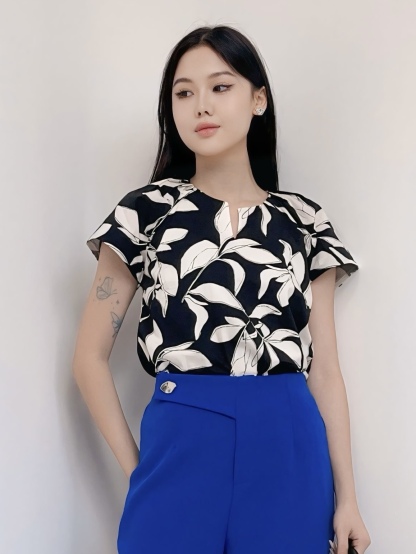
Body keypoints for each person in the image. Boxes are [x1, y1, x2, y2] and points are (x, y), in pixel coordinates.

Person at [72, 24, 371, 554]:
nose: (201, 106)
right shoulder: (145, 213)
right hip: (180, 440)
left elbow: (325, 370)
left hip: (289, 445)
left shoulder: (304, 222)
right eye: (183, 93)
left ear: (258, 99)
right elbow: (88, 359)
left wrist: (348, 498)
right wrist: (140, 473)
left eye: (220, 86)